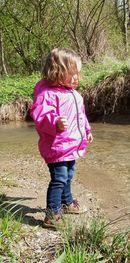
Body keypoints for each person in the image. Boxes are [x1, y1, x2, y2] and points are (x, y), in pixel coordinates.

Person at [30, 48, 93, 229]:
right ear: (57, 72)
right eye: (72, 74)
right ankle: (52, 215)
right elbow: (41, 116)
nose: (76, 78)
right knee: (59, 179)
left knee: (68, 175)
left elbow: (81, 116)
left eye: (77, 74)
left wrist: (87, 130)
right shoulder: (47, 93)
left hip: (72, 145)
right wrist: (55, 122)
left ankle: (67, 203)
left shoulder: (74, 94)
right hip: (56, 146)